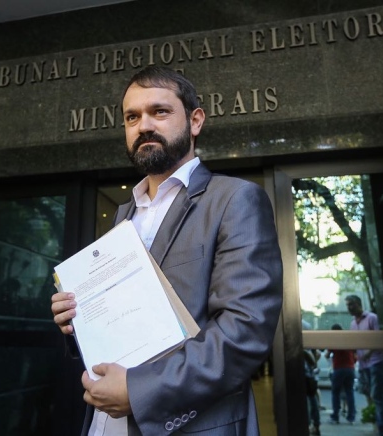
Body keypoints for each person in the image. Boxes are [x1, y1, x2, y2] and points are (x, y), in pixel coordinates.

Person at [51, 66, 283, 435]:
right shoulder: (125, 214)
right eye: (132, 117)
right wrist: (78, 321)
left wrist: (139, 391)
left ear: (195, 121)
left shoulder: (235, 199)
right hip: (104, 422)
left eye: (159, 111)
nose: (143, 125)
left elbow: (244, 332)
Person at [346, 295, 383, 436]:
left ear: (358, 304)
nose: (349, 308)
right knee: (370, 396)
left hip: (375, 362)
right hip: (363, 365)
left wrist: (368, 352)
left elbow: (378, 339)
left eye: (351, 304)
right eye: (347, 305)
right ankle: (380, 426)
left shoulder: (371, 318)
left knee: (378, 396)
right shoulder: (353, 324)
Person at [326, 323, 356, 425]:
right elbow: (354, 353)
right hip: (350, 369)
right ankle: (351, 417)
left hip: (339, 368)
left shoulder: (334, 340)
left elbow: (327, 355)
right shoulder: (348, 339)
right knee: (349, 392)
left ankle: (335, 416)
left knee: (335, 392)